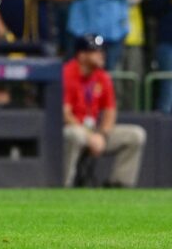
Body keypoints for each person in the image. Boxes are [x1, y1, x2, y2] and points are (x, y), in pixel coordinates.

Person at [62, 35, 146, 188]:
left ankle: (120, 184)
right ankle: (64, 184)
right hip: (73, 129)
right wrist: (90, 136)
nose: (102, 55)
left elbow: (110, 112)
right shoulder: (67, 73)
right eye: (95, 51)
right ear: (81, 55)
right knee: (74, 134)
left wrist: (102, 135)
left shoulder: (102, 77)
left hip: (94, 131)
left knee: (136, 135)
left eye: (102, 50)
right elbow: (65, 113)